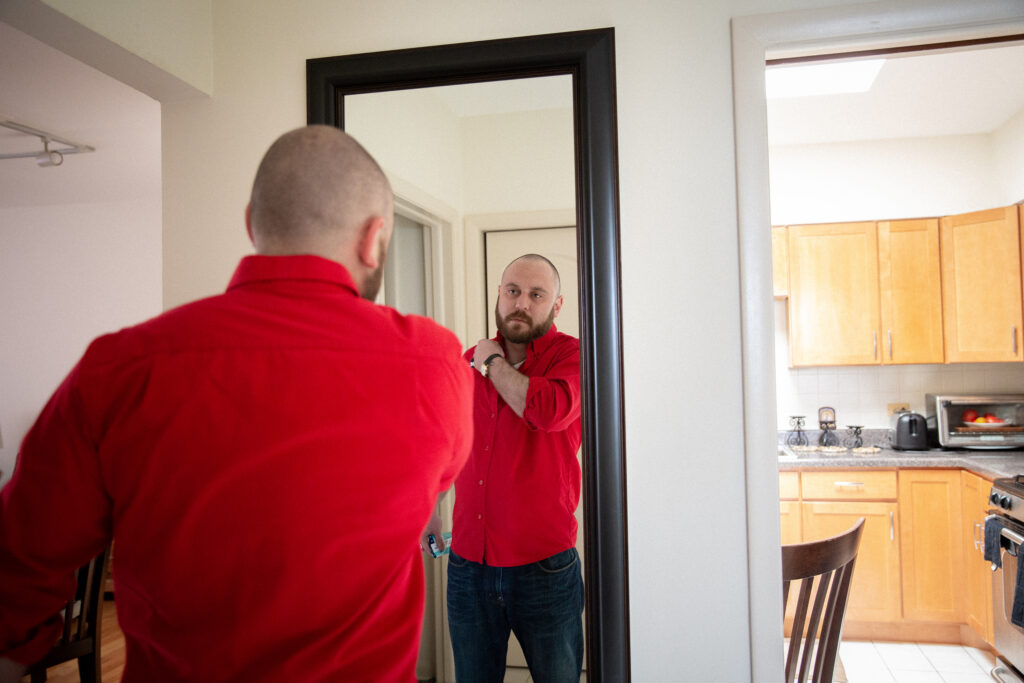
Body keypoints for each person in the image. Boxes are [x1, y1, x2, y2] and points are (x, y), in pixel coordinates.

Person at [0, 125, 473, 682]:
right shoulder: (435, 363)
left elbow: (17, 571)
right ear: (375, 238)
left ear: (252, 225)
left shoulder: (119, 366)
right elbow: (443, 474)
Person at [442, 253, 583, 683]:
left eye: (536, 295)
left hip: (544, 568)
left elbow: (546, 410)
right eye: (512, 291)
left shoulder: (573, 356)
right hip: (468, 564)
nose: (521, 303)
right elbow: (441, 443)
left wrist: (491, 363)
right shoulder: (464, 362)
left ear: (556, 306)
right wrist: (429, 515)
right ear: (499, 296)